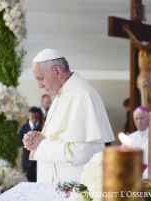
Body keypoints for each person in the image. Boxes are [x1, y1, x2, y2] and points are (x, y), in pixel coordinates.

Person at [22, 49, 115, 183]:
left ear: (57, 72)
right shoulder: (63, 93)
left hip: (72, 187)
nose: (40, 85)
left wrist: (41, 144)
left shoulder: (82, 95)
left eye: (41, 78)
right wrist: (34, 140)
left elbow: (79, 151)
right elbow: (56, 138)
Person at [122, 23, 151, 111]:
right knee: (145, 103)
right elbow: (135, 41)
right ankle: (146, 120)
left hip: (149, 80)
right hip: (143, 79)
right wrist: (128, 31)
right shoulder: (145, 51)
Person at [18, 107, 42, 182]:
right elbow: (19, 140)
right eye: (32, 118)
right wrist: (27, 142)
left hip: (37, 161)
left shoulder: (41, 127)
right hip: (26, 160)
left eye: (36, 118)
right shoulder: (24, 127)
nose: (34, 120)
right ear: (29, 117)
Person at [126, 106, 149, 179]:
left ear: (148, 119)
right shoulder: (130, 137)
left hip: (148, 175)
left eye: (142, 118)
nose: (139, 121)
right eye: (136, 119)